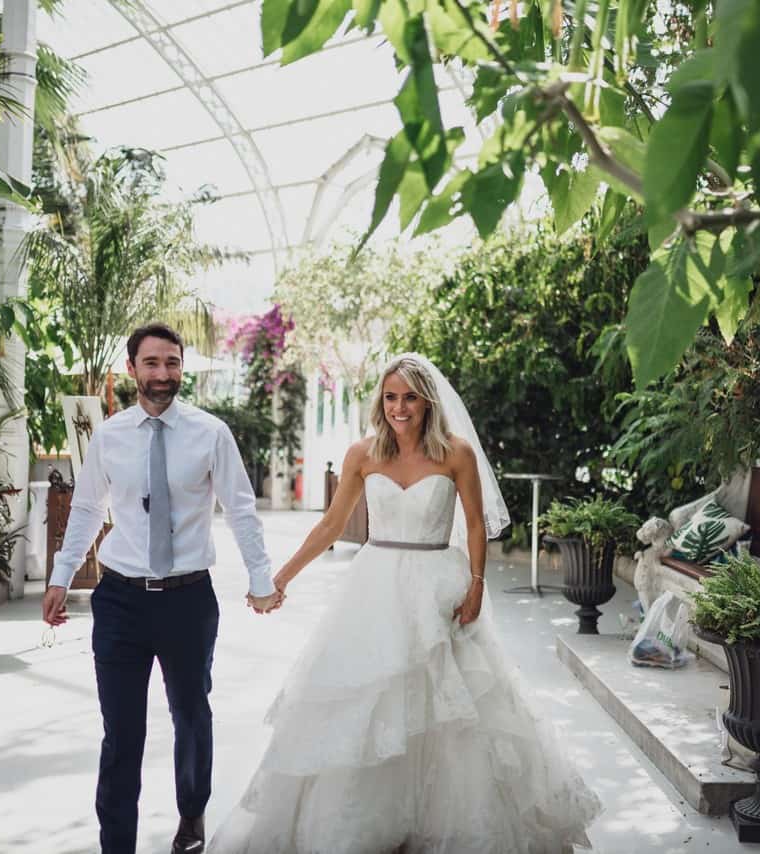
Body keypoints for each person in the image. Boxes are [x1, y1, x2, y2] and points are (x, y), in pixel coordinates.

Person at [207, 353, 602, 853]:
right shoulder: (363, 454)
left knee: (449, 704)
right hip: (374, 587)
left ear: (427, 401)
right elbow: (331, 525)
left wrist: (478, 584)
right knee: (367, 698)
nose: (400, 407)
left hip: (439, 584)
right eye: (391, 397)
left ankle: (441, 822)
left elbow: (476, 525)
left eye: (409, 397)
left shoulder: (456, 453)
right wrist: (281, 578)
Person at [43, 323, 282, 854]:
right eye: (152, 363)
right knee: (121, 732)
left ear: (182, 368)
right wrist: (61, 576)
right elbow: (86, 511)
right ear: (132, 369)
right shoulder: (108, 436)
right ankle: (117, 844)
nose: (163, 374)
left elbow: (241, 508)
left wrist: (261, 579)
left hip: (188, 599)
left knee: (192, 716)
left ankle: (191, 815)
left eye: (172, 363)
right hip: (121, 599)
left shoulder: (210, 433)